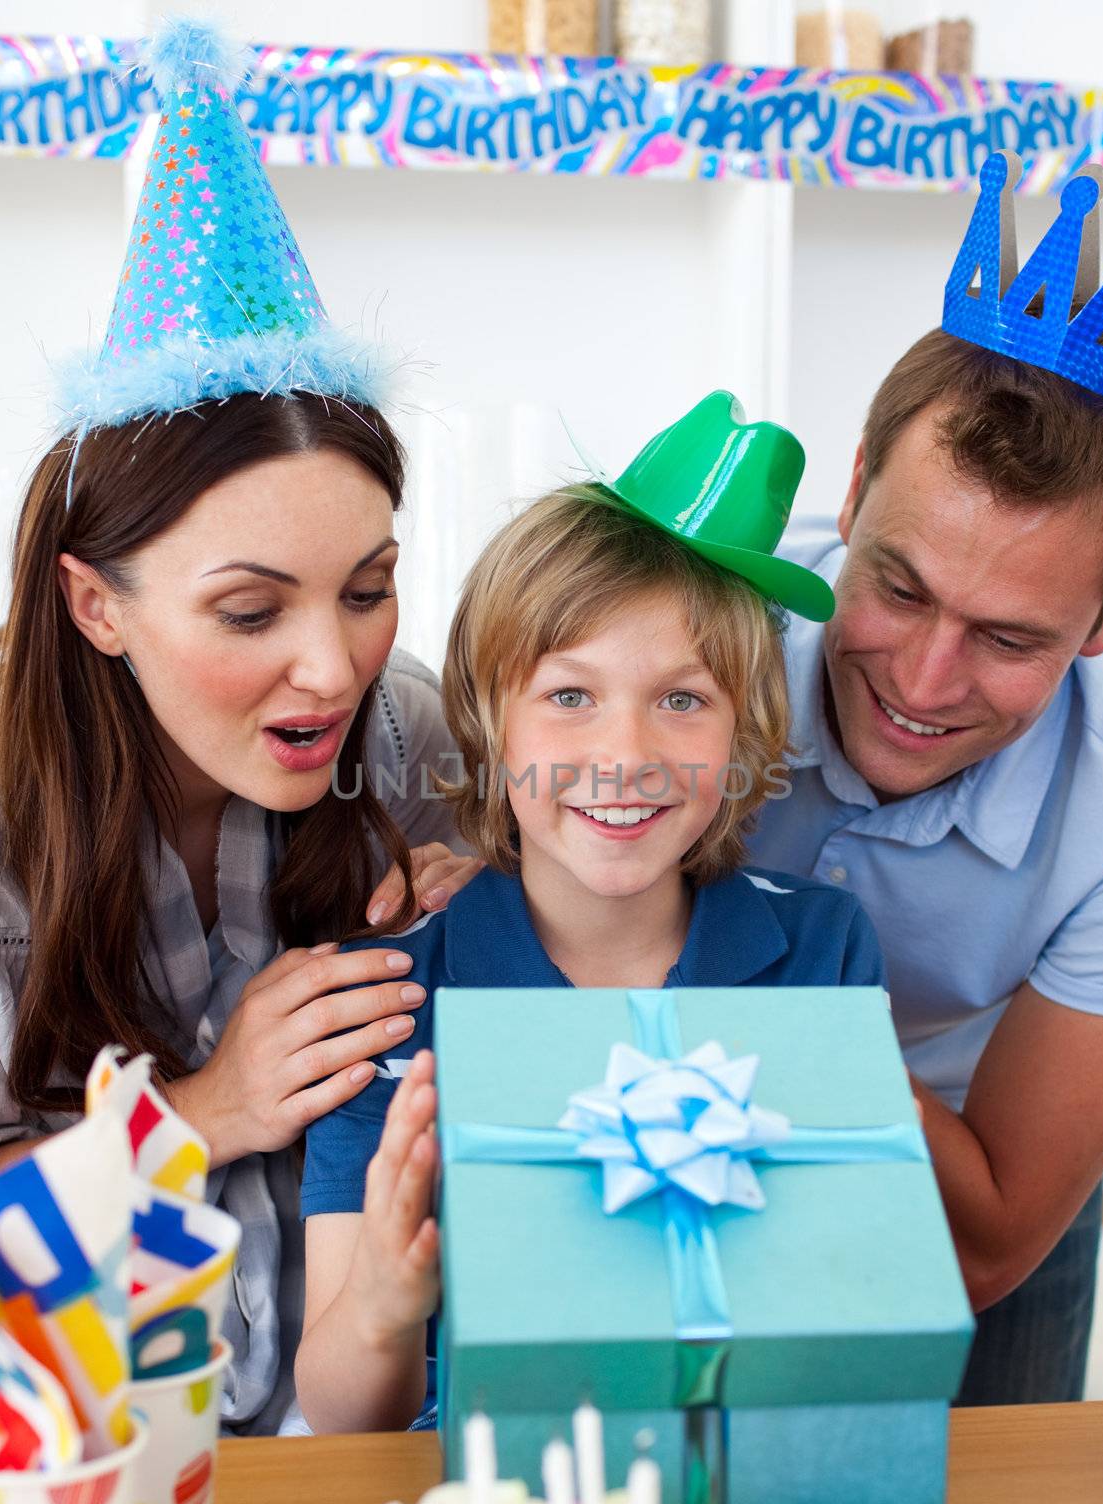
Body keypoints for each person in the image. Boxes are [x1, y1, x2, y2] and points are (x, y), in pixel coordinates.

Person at [0, 20, 478, 1449]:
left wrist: (511, 909)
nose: (330, 666)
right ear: (96, 603)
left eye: (370, 588)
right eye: (249, 610)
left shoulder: (406, 739)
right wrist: (202, 1112)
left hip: (273, 1422)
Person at [746, 154, 1103, 1404]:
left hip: (960, 1183)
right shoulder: (693, 633)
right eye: (900, 587)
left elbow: (986, 1237)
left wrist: (751, 979)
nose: (922, 679)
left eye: (1008, 637)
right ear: (855, 487)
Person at [292, 391, 887, 1433]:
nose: (627, 754)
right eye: (570, 695)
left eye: (682, 699)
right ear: (487, 719)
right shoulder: (391, 996)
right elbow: (343, 1416)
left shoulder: (820, 952)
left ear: (747, 735)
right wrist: (383, 1310)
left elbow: (845, 1314)